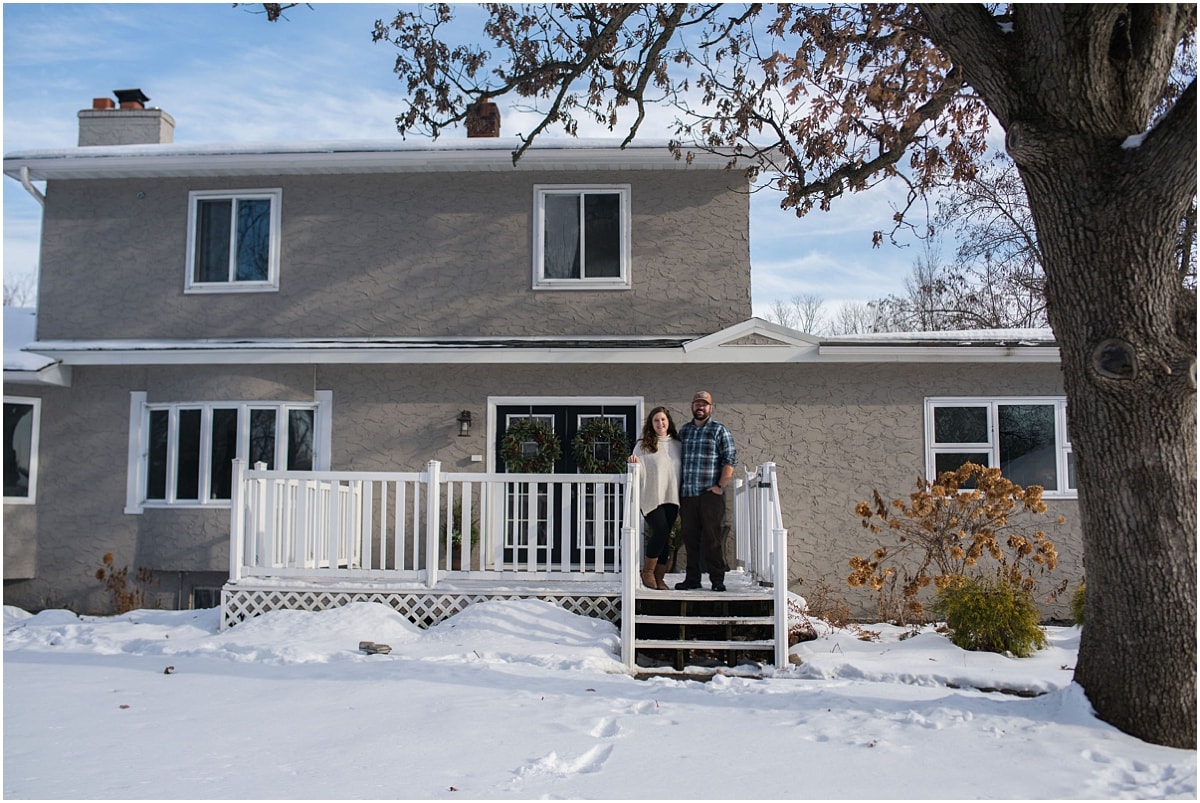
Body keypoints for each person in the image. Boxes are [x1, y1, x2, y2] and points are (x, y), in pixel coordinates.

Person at [675, 390, 737, 592]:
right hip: (687, 495)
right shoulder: (684, 432)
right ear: (692, 406)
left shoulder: (720, 431)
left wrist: (720, 486)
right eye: (697, 403)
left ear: (710, 408)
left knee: (712, 538)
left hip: (710, 495)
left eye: (704, 404)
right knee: (690, 538)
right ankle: (692, 579)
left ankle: (717, 579)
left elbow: (729, 460)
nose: (700, 407)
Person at [627, 407, 683, 590]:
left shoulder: (677, 444)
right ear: (651, 424)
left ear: (669, 422)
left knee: (665, 535)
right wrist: (633, 465)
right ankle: (647, 572)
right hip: (651, 496)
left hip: (672, 497)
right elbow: (638, 469)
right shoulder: (643, 445)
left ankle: (659, 578)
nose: (660, 423)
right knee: (660, 531)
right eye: (656, 420)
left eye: (663, 420)